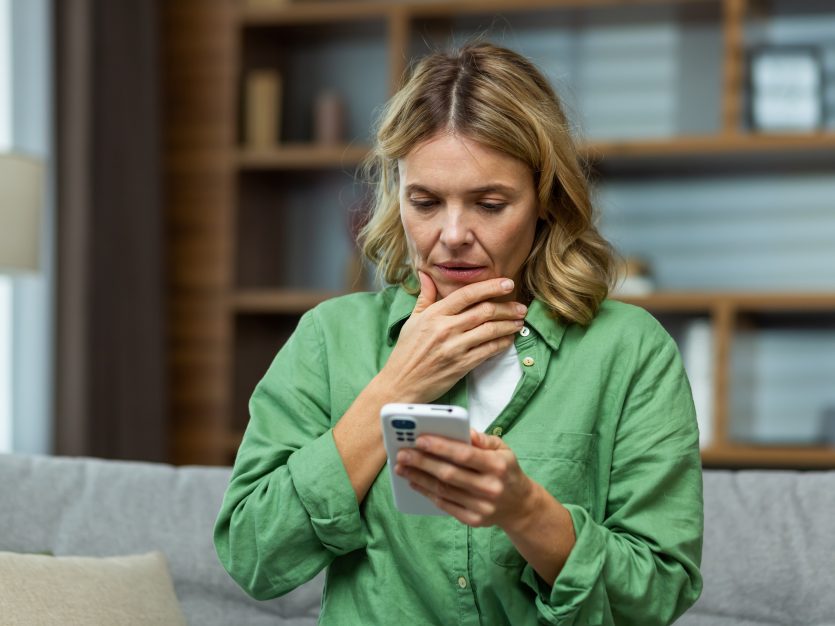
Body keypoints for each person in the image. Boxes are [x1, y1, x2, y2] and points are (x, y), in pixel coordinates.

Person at [214, 42, 703, 625]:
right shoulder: (329, 338)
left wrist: (527, 513)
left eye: (490, 204)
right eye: (424, 201)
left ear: (545, 200)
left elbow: (658, 593)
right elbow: (253, 557)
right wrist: (395, 387)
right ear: (397, 197)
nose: (451, 235)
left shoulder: (628, 351)